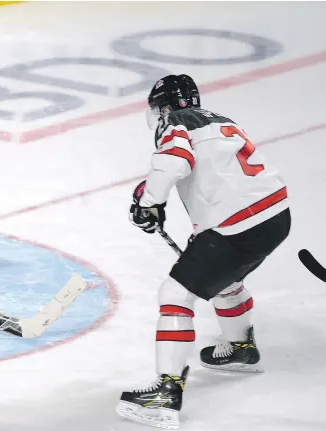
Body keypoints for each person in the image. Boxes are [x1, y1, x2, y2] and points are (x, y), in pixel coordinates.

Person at [116, 75, 291, 429]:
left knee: (175, 295)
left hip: (237, 225)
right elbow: (215, 173)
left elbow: (176, 160)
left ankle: (166, 391)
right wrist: (150, 192)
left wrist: (150, 204)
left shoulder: (175, 124)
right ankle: (240, 346)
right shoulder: (219, 120)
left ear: (163, 107)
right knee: (224, 275)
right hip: (275, 216)